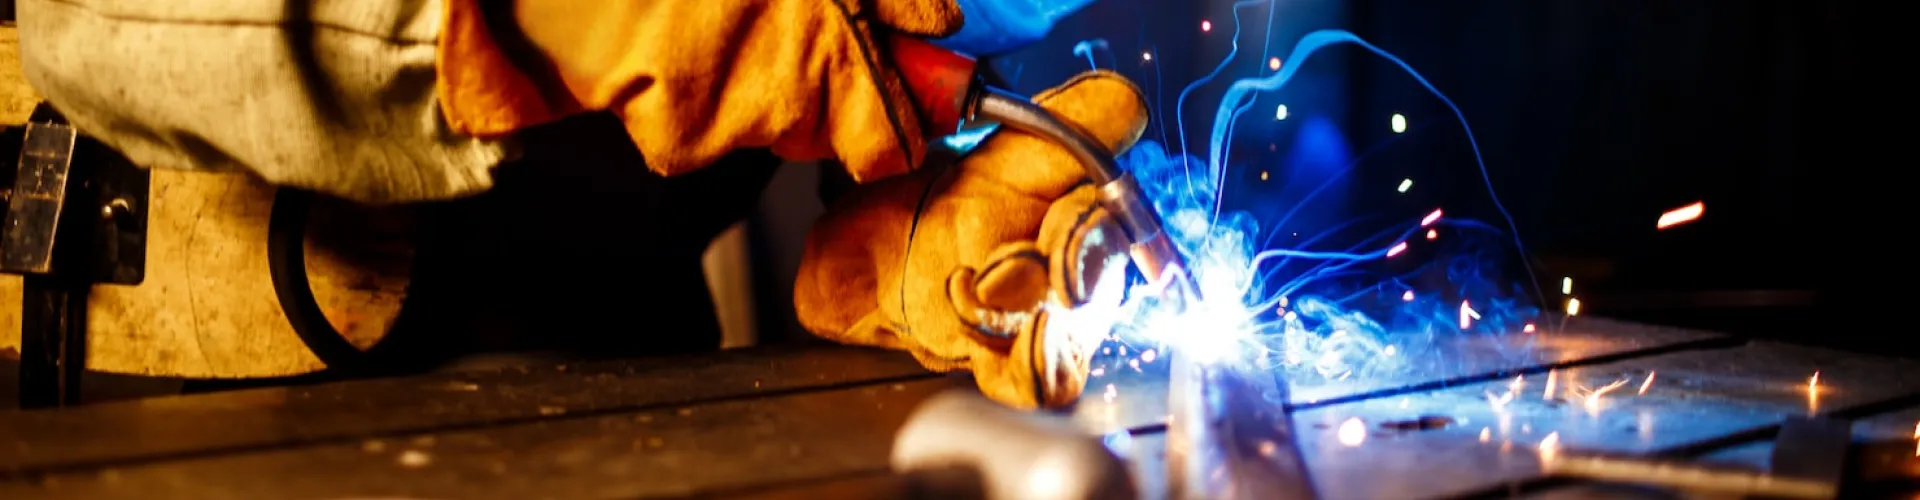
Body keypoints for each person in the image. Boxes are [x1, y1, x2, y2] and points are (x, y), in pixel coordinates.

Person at [13, 0, 1148, 409]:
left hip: (602, 375)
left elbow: (846, 53)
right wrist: (556, 19)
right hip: (178, 405)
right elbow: (84, 27)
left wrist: (899, 213)